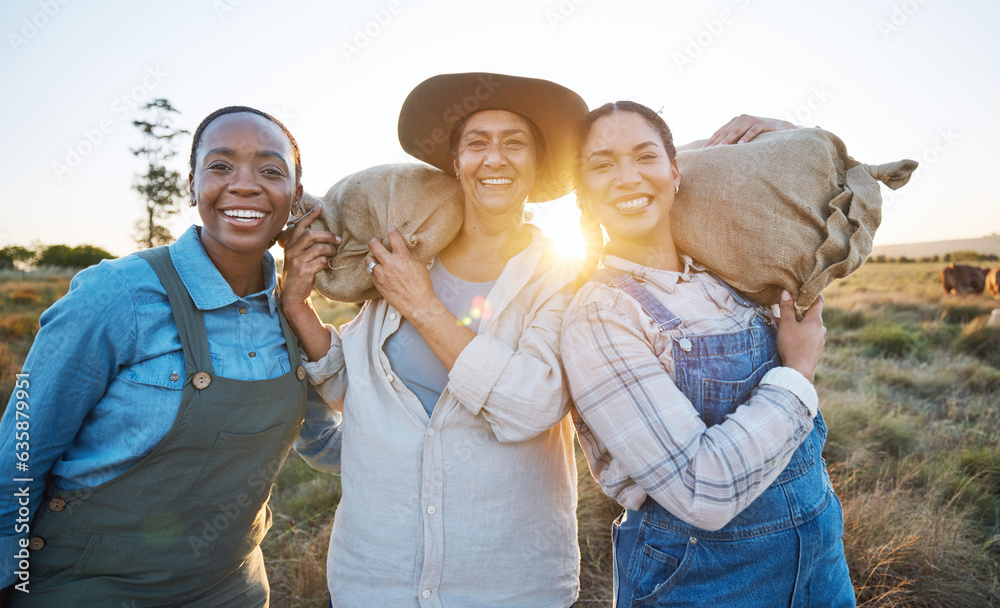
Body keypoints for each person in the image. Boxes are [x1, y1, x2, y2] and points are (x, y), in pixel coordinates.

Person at [281, 73, 588, 607]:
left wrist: (422, 305)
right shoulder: (406, 253)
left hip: (509, 586)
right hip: (376, 581)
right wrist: (296, 306)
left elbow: (531, 405)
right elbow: (349, 388)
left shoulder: (562, 277)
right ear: (456, 163)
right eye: (477, 143)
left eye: (514, 143)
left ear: (538, 165)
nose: (494, 159)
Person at [0, 106, 317, 607]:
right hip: (87, 588)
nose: (245, 185)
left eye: (271, 170)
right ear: (191, 186)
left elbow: (327, 443)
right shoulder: (117, 294)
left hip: (230, 589)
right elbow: (18, 455)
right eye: (220, 166)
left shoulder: (293, 312)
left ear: (297, 198)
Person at [562, 102, 855, 607]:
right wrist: (798, 370)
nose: (628, 178)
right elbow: (702, 490)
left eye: (645, 156)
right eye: (603, 164)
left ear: (676, 174)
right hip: (704, 578)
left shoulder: (734, 271)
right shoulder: (601, 315)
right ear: (583, 195)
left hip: (820, 554)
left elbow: (837, 203)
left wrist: (786, 135)